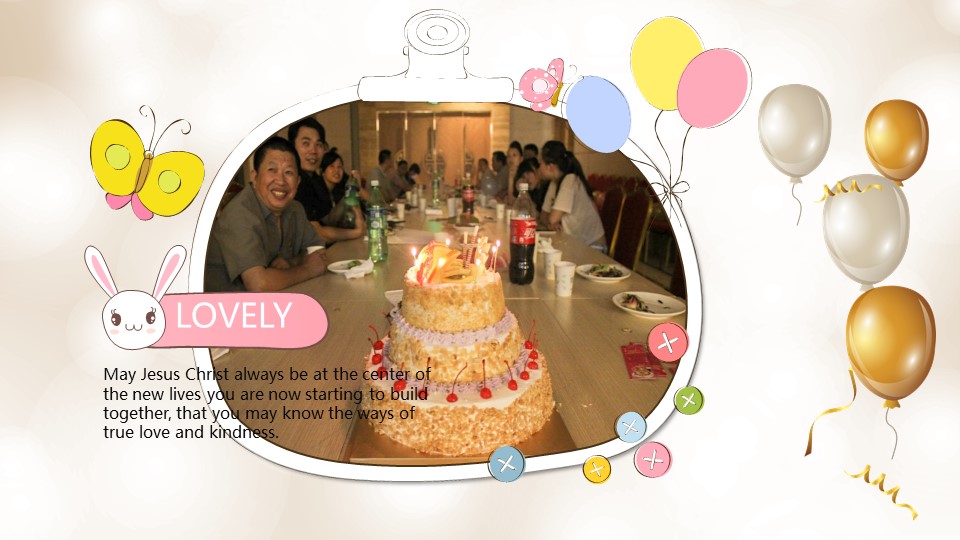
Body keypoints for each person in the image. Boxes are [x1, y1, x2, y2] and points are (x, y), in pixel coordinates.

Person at [205, 137, 327, 292]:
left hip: (281, 296)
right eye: (272, 170)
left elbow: (318, 253)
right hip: (228, 305)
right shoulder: (240, 214)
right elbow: (259, 284)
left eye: (288, 172)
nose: (281, 181)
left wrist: (292, 263)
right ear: (254, 177)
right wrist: (307, 269)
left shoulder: (295, 209)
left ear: (297, 182)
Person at [538, 140, 606, 249]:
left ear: (550, 166)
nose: (539, 168)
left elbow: (552, 218)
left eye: (540, 163)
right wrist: (551, 224)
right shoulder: (554, 182)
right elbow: (543, 215)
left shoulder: (570, 180)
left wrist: (552, 223)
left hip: (592, 247)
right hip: (574, 244)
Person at [295, 149, 366, 243]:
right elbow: (318, 230)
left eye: (339, 167)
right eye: (331, 166)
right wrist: (357, 232)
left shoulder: (337, 190)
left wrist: (358, 187)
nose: (336, 170)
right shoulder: (313, 190)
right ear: (322, 171)